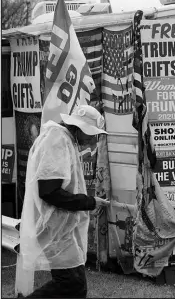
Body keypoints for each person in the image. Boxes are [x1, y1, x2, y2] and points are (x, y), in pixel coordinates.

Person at [15, 105, 110, 298]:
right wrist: (88, 202)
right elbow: (50, 192)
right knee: (71, 284)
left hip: (59, 227)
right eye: (92, 135)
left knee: (73, 285)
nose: (93, 141)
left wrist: (89, 202)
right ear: (79, 127)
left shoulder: (63, 139)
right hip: (53, 227)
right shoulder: (57, 140)